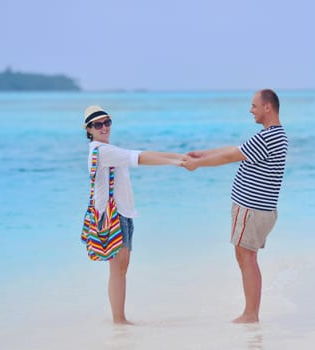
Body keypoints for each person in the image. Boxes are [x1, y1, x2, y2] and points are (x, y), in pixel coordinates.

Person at [182, 89, 288, 323]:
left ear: (267, 107)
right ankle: (251, 312)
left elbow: (231, 157)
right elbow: (235, 149)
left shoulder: (267, 137)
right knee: (247, 257)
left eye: (254, 106)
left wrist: (198, 165)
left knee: (246, 257)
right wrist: (202, 154)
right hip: (261, 209)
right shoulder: (275, 135)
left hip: (252, 209)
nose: (251, 110)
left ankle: (250, 314)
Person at [83, 105, 186, 325]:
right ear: (89, 129)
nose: (104, 127)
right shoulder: (102, 151)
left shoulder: (107, 149)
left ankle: (120, 319)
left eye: (107, 122)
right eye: (98, 124)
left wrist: (178, 155)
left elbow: (140, 153)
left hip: (123, 214)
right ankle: (119, 320)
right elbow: (140, 158)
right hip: (114, 217)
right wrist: (175, 161)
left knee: (121, 268)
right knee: (118, 268)